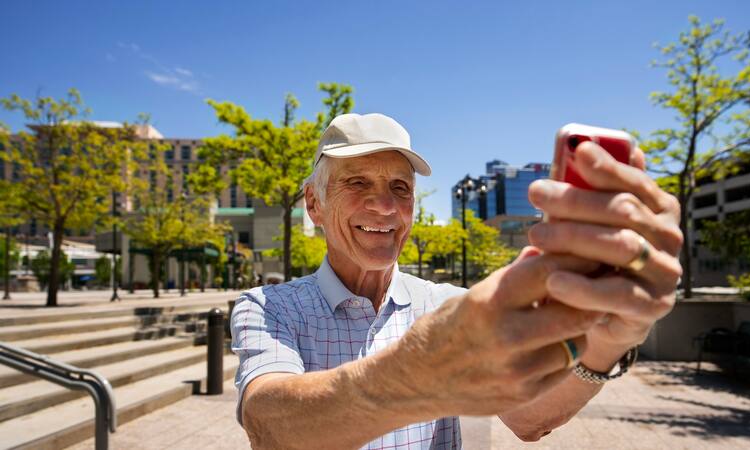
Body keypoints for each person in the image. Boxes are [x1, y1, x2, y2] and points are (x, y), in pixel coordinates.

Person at [231, 113, 682, 449]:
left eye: (400, 189)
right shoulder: (269, 306)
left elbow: (529, 421)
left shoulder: (450, 305)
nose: (385, 207)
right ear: (314, 203)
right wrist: (419, 373)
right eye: (357, 183)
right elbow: (270, 425)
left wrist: (609, 337)